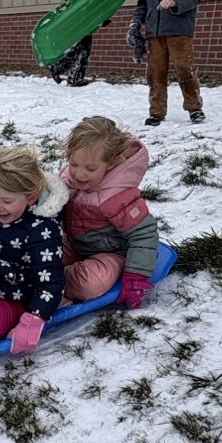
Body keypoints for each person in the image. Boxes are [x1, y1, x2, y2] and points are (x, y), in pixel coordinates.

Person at [0, 145, 69, 354]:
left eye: (6, 201)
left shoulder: (43, 231)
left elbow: (51, 283)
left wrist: (33, 320)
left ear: (31, 198)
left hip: (15, 299)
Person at [60, 116, 159, 308]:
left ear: (111, 164)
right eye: (73, 164)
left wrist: (136, 276)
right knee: (34, 254)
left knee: (91, 284)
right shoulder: (68, 179)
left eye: (90, 168)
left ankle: (49, 284)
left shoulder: (118, 194)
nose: (79, 174)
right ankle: (33, 275)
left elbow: (144, 234)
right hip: (75, 243)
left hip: (111, 253)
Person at [50, 0, 109, 87]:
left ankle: (58, 68)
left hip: (86, 21)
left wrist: (100, 19)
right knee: (81, 49)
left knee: (82, 49)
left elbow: (93, 3)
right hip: (75, 23)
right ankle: (74, 77)